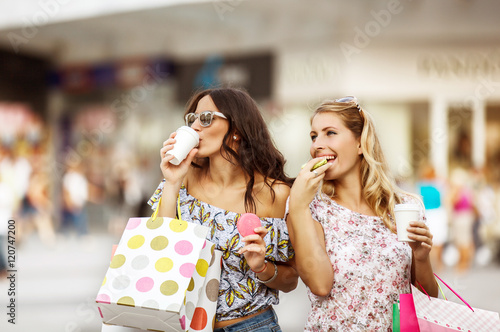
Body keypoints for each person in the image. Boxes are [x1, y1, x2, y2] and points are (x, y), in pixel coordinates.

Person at [148, 87, 298, 331]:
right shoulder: (184, 178)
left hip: (251, 325)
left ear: (236, 129)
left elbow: (291, 280)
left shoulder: (276, 193)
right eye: (192, 119)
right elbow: (161, 247)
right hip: (184, 326)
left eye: (206, 118)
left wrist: (261, 266)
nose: (196, 126)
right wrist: (172, 181)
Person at [287, 97, 438, 331]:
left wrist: (421, 256)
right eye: (314, 136)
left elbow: (428, 299)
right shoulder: (310, 207)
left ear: (360, 143)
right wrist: (297, 205)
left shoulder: (404, 206)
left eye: (330, 133)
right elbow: (320, 285)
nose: (317, 144)